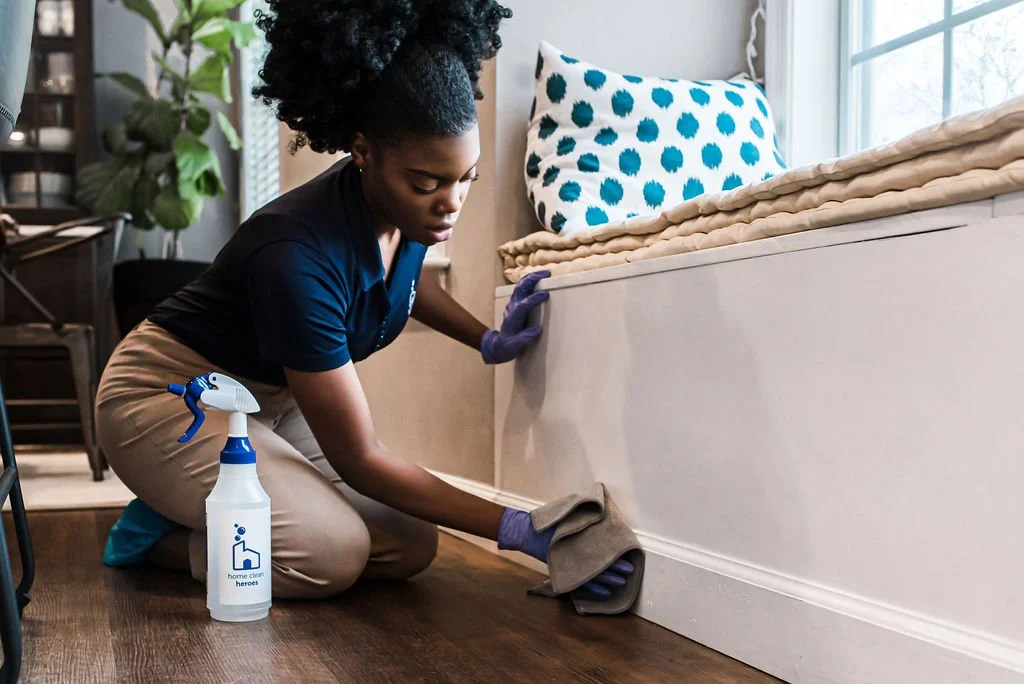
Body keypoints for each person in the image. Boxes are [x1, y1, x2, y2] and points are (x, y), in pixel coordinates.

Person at [97, 0, 633, 599]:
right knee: (329, 556)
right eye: (426, 183)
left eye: (466, 178)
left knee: (409, 541)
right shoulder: (295, 256)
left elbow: (401, 282)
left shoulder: (400, 214)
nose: (450, 203)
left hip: (264, 399)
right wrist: (521, 528)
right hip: (170, 395)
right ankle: (154, 535)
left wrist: (485, 337)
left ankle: (219, 510)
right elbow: (361, 458)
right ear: (362, 151)